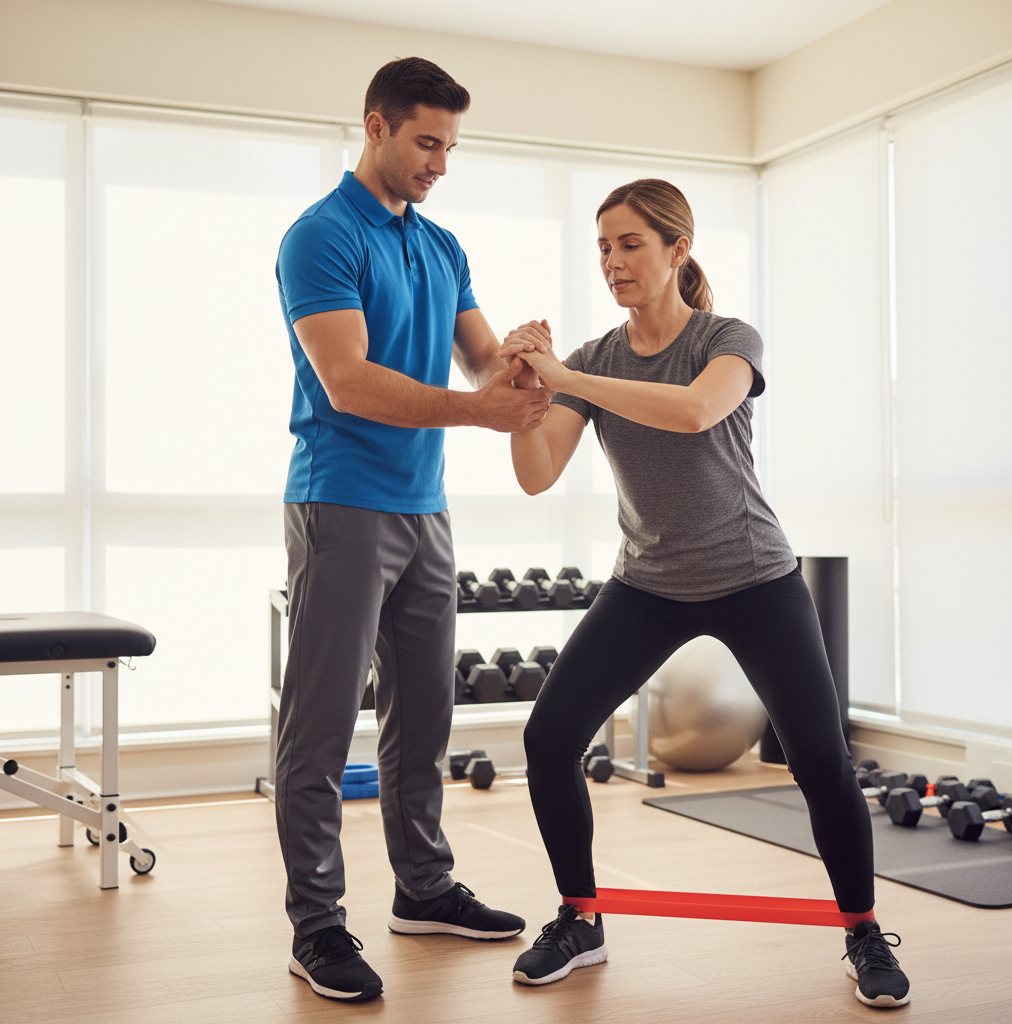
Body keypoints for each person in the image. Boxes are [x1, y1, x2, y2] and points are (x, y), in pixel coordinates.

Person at [496, 178, 911, 1009]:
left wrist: (570, 375)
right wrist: (528, 393)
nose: (613, 261)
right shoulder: (590, 361)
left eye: (631, 244)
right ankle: (581, 919)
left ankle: (863, 931)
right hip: (646, 583)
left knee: (822, 762)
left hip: (755, 578)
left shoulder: (727, 338)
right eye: (603, 247)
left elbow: (692, 413)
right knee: (549, 738)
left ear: (678, 250)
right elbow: (539, 475)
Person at [274, 57, 550, 1003]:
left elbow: (480, 365)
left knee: (423, 717)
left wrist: (524, 359)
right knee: (319, 727)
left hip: (425, 511)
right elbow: (348, 381)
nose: (440, 162)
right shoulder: (320, 238)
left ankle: (424, 891)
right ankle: (317, 927)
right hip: (341, 501)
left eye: (451, 147)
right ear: (377, 125)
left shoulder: (441, 247)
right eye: (427, 142)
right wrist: (482, 412)